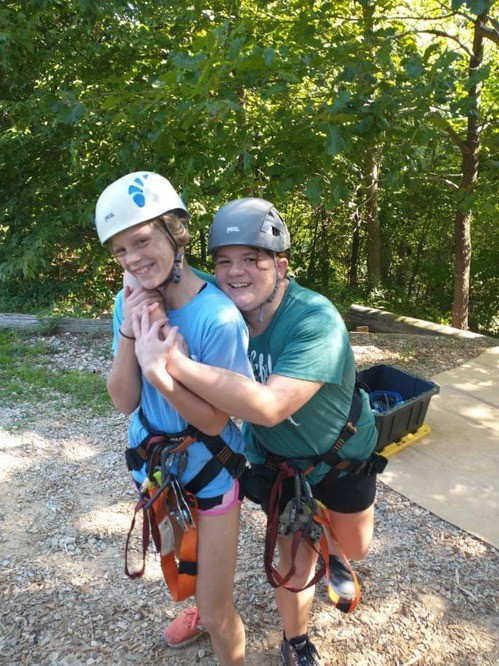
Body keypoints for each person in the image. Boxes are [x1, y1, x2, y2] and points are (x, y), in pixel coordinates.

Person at [155, 197, 384, 666]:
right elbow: (160, 271)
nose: (235, 272)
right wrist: (137, 268)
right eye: (224, 261)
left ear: (280, 266)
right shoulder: (223, 307)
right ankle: (295, 641)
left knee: (355, 548)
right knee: (294, 560)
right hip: (278, 463)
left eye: (252, 259)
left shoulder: (315, 320)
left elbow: (271, 407)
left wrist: (174, 363)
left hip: (342, 453)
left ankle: (330, 541)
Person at [94, 172, 254, 666]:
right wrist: (130, 328)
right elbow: (123, 401)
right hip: (157, 464)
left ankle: (213, 620)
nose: (132, 259)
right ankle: (200, 609)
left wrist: (160, 374)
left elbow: (215, 423)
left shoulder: (217, 319)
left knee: (217, 607)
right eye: (121, 250)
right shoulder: (128, 300)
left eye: (142, 241)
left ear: (175, 232)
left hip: (210, 469)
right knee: (185, 565)